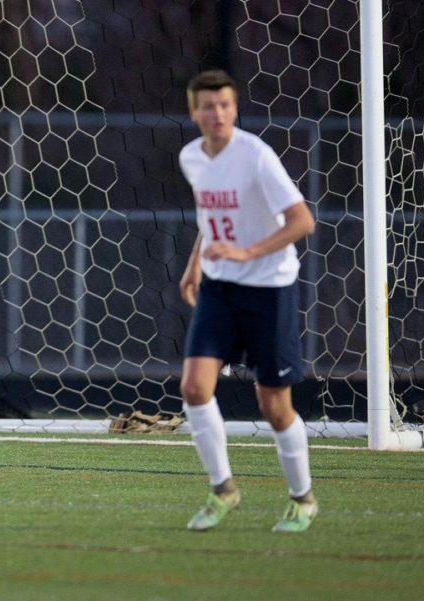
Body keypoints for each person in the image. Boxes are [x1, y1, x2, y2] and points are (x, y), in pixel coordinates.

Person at [177, 70, 317, 532]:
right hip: (219, 286)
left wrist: (248, 252)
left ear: (235, 110)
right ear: (194, 112)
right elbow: (211, 215)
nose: (217, 114)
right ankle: (223, 491)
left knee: (273, 404)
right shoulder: (192, 157)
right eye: (208, 106)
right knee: (195, 387)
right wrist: (197, 262)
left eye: (225, 105)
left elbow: (302, 221)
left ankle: (302, 498)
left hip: (269, 288)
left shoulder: (257, 156)